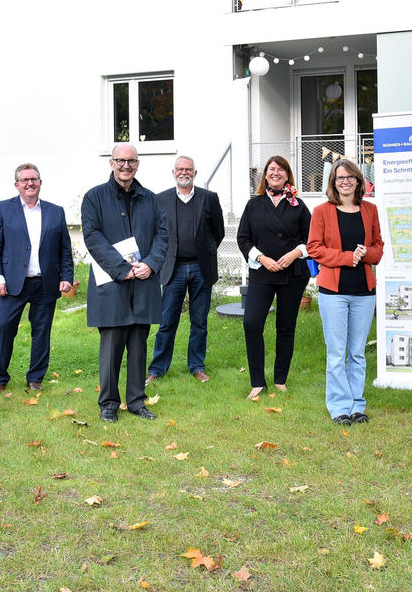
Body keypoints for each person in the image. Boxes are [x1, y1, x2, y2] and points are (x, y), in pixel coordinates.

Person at [82, 143, 168, 422]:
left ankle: (136, 401)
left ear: (137, 164)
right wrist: (123, 269)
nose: (126, 166)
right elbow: (93, 237)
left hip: (143, 281)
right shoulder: (94, 198)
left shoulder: (151, 199)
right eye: (120, 161)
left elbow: (162, 236)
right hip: (112, 283)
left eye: (131, 161)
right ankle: (108, 403)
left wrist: (151, 264)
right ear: (111, 163)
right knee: (111, 346)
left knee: (139, 344)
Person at [0, 163, 74, 394]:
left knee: (42, 330)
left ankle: (35, 378)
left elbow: (65, 248)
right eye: (24, 180)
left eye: (34, 179)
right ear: (17, 185)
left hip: (46, 282)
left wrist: (67, 276)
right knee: (4, 329)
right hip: (12, 282)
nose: (30, 183)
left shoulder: (56, 211)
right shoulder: (3, 209)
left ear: (40, 183)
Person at [308, 158, 384, 425]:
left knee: (357, 352)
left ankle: (356, 406)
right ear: (333, 182)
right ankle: (339, 407)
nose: (345, 182)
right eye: (340, 178)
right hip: (333, 291)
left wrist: (365, 255)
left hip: (364, 291)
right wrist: (345, 257)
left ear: (358, 181)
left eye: (350, 177)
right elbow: (314, 248)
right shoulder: (321, 211)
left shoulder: (370, 210)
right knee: (337, 352)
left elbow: (378, 247)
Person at [237, 155, 312, 399]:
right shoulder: (254, 204)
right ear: (265, 175)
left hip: (293, 273)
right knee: (251, 323)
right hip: (262, 273)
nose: (276, 172)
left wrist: (295, 254)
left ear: (288, 175)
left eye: (281, 169)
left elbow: (311, 239)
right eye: (271, 169)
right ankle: (257, 382)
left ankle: (280, 379)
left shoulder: (298, 205)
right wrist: (261, 258)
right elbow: (243, 238)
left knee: (286, 326)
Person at [148, 155, 225, 384]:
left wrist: (207, 250)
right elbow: (156, 233)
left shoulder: (209, 198)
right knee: (166, 321)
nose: (184, 172)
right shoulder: (160, 199)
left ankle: (197, 367)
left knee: (199, 321)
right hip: (173, 268)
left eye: (188, 169)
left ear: (195, 173)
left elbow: (218, 231)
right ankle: (157, 369)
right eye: (180, 169)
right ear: (173, 173)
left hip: (201, 268)